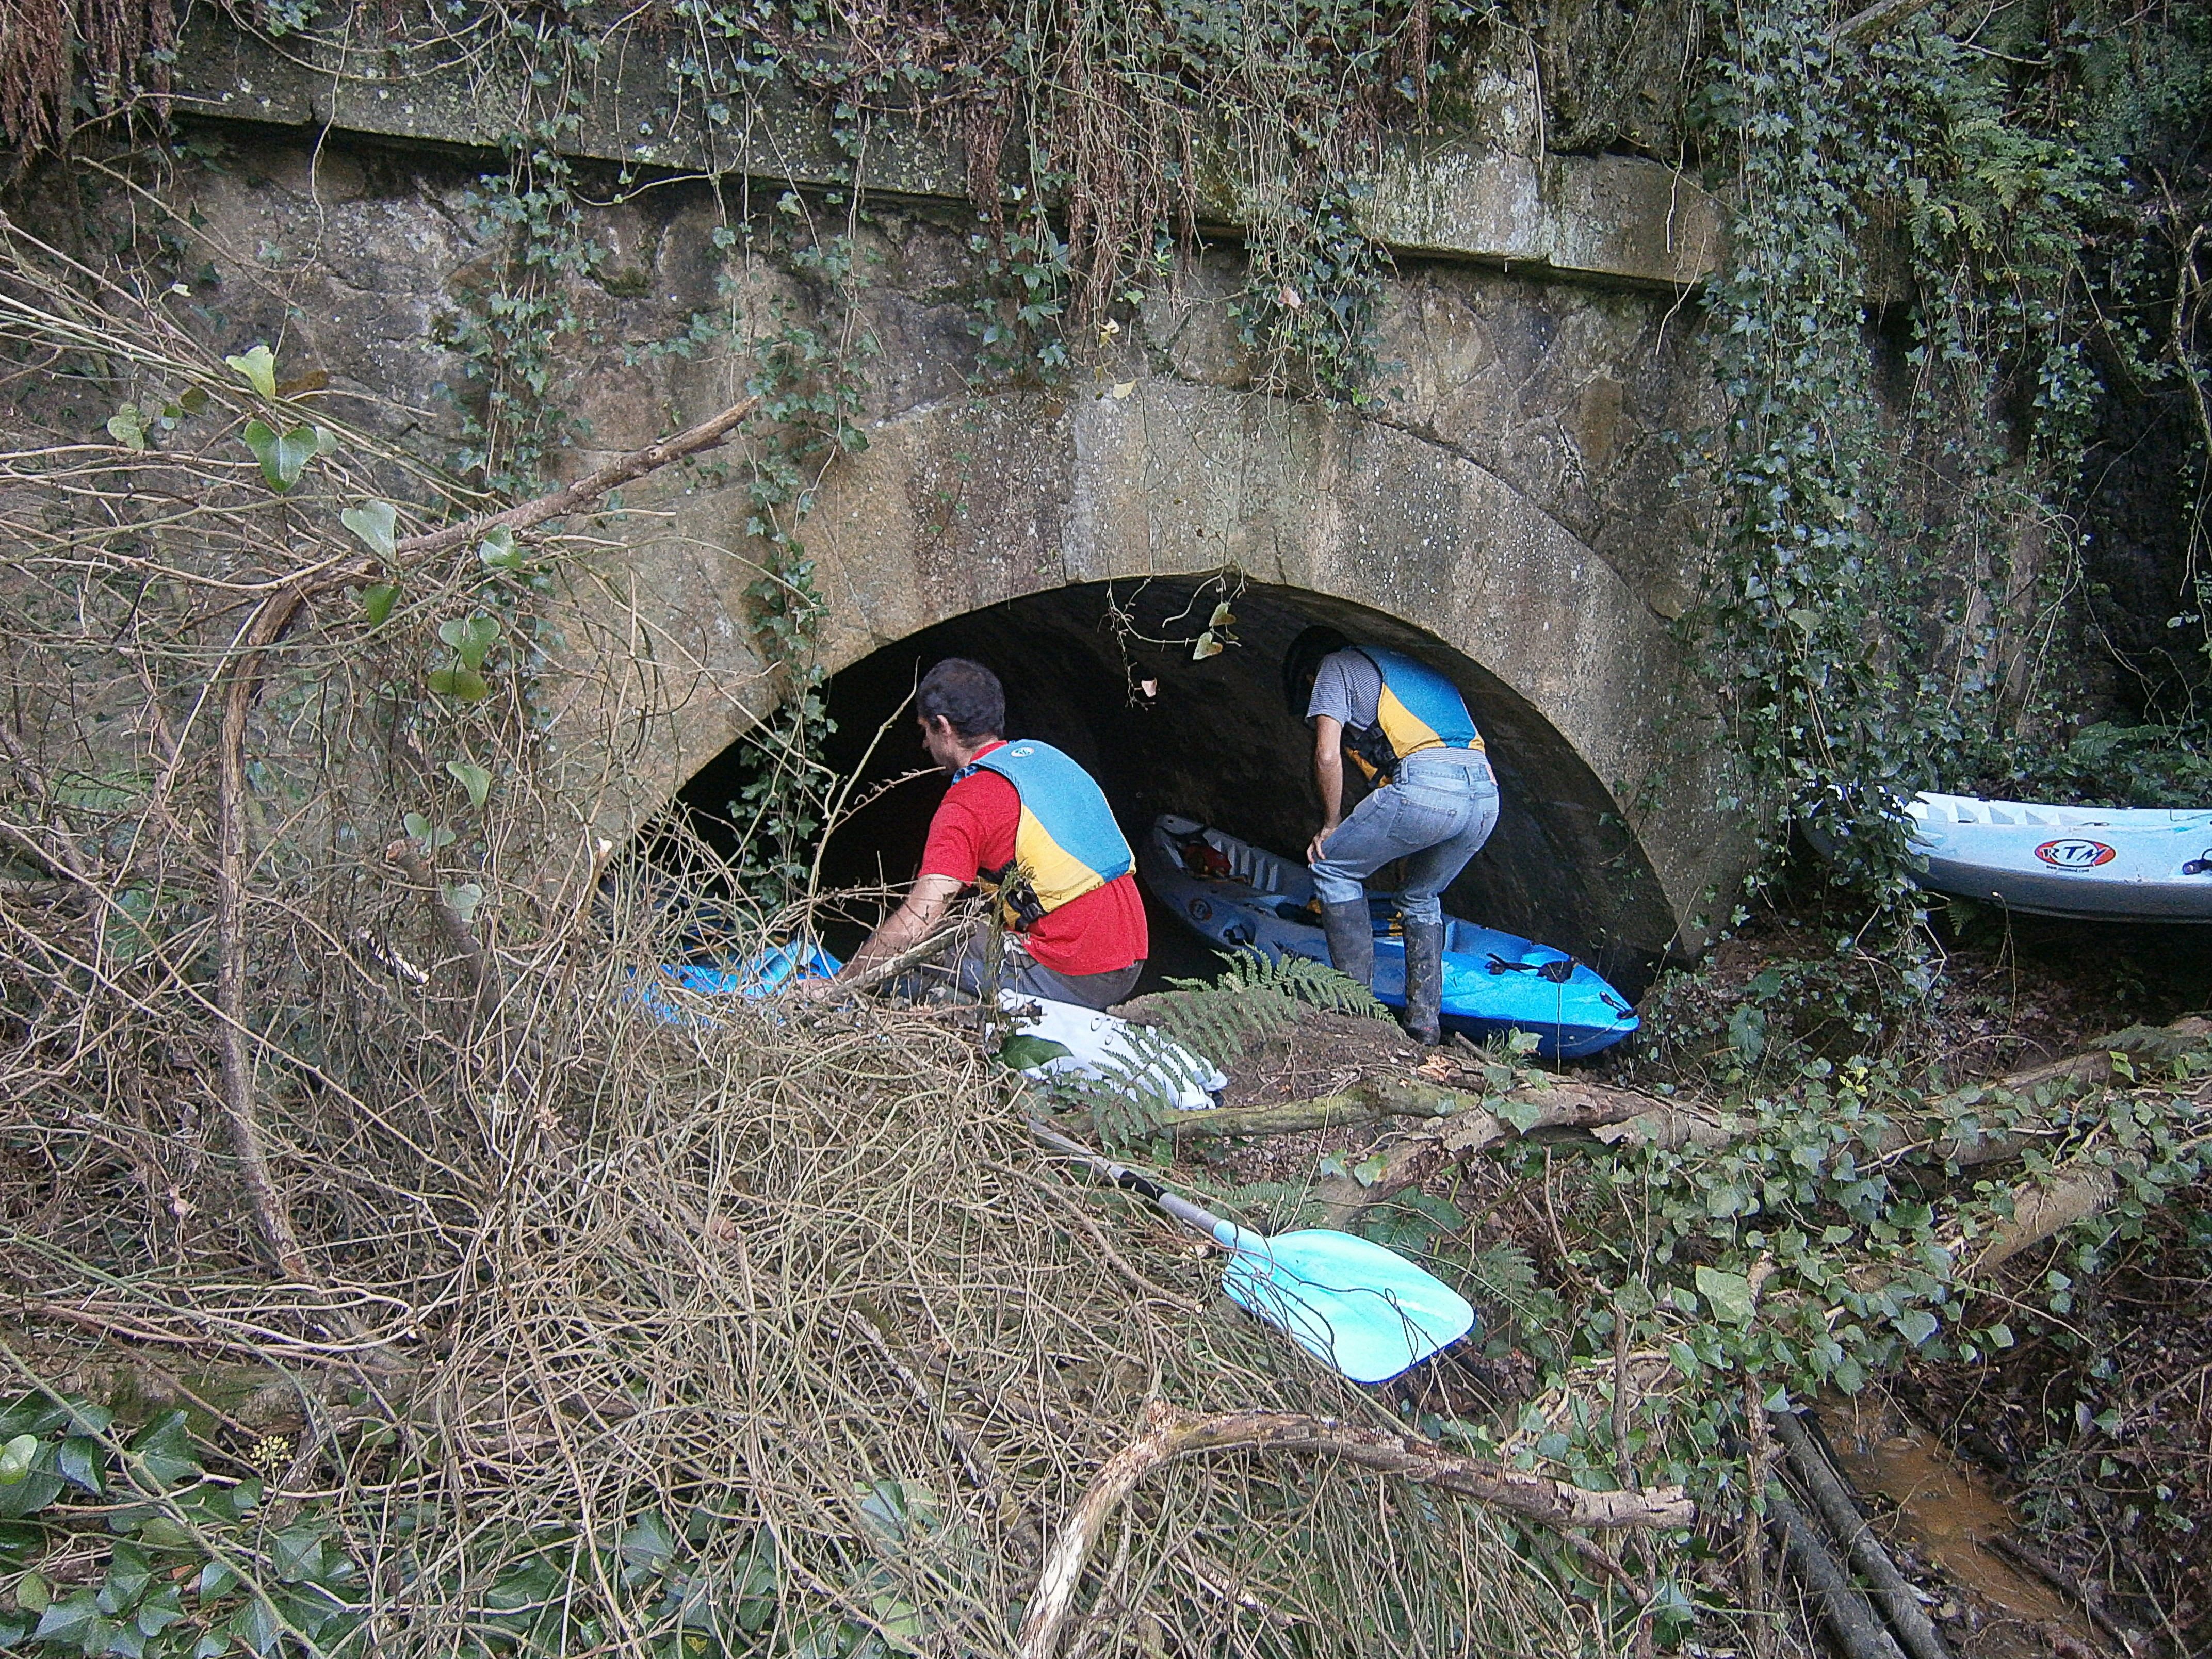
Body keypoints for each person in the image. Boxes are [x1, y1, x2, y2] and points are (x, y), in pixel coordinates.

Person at [807, 657, 1148, 1010]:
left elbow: (918, 919)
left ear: (944, 727)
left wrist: (840, 982)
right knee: (962, 932)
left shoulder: (967, 804)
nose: (925, 744)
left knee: (920, 954)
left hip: (1080, 970)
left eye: (925, 730)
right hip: (1132, 955)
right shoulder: (1044, 757)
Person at [1283, 627, 1499, 1045]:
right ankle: (1423, 1025)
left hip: (1427, 785)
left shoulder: (1335, 665)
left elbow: (1327, 755)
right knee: (1420, 896)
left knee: (1333, 869)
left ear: (1309, 674)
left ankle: (1355, 1015)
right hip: (1486, 798)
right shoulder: (1415, 673)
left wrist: (1332, 824)